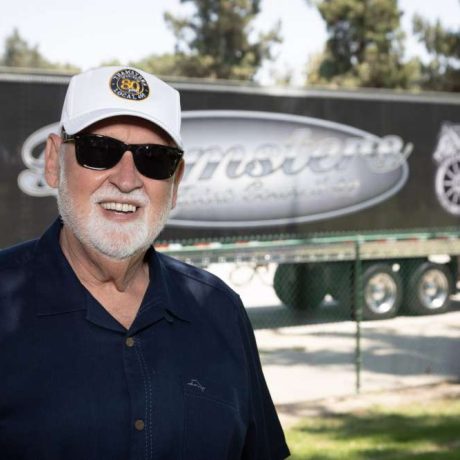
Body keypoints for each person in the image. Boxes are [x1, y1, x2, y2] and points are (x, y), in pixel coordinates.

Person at [0, 66, 290, 459]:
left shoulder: (220, 310)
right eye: (98, 150)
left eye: (154, 159)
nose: (126, 179)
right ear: (53, 161)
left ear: (175, 183)